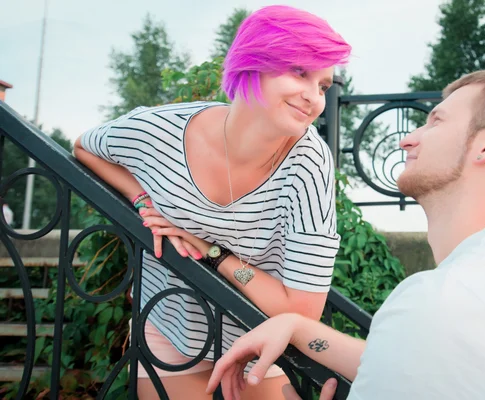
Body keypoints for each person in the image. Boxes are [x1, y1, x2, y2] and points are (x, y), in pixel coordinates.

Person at [206, 69, 485, 400]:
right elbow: (407, 358)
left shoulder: (443, 300)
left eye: (437, 121)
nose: (408, 139)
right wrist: (297, 327)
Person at [73, 5, 351, 399]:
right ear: (253, 62)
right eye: (300, 72)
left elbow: (303, 313)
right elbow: (85, 147)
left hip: (256, 337)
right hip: (169, 324)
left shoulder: (309, 161)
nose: (313, 97)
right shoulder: (160, 131)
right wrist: (143, 200)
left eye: (323, 86)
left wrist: (212, 252)